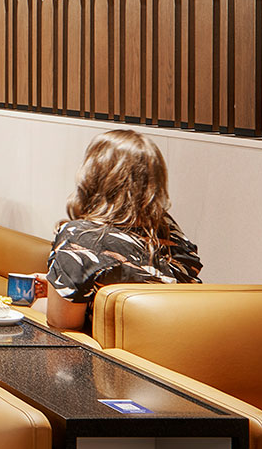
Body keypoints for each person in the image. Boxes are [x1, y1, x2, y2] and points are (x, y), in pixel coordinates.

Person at [43, 128, 203, 333]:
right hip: (170, 357)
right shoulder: (171, 234)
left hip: (107, 359)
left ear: (93, 175)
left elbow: (63, 328)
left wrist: (35, 300)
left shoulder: (80, 237)